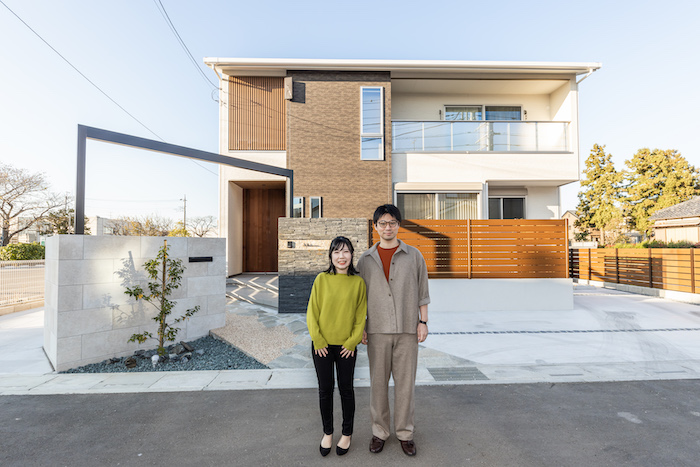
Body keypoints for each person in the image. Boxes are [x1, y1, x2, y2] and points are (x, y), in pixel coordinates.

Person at [357, 204, 430, 457]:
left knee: (405, 385)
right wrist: (361, 328)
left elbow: (423, 292)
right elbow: (360, 299)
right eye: (382, 223)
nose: (387, 227)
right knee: (378, 385)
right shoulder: (365, 260)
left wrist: (423, 322)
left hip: (407, 330)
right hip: (376, 331)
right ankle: (379, 432)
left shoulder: (414, 255)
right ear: (375, 227)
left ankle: (405, 433)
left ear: (399, 225)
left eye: (392, 222)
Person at [306, 236, 367, 457]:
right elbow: (312, 312)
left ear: (352, 255)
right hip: (322, 345)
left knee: (346, 389)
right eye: (337, 252)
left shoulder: (358, 283)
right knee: (325, 390)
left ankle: (347, 434)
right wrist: (318, 340)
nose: (342, 257)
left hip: (346, 347)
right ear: (331, 256)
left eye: (346, 252)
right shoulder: (321, 279)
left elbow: (361, 316)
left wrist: (352, 341)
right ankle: (328, 433)